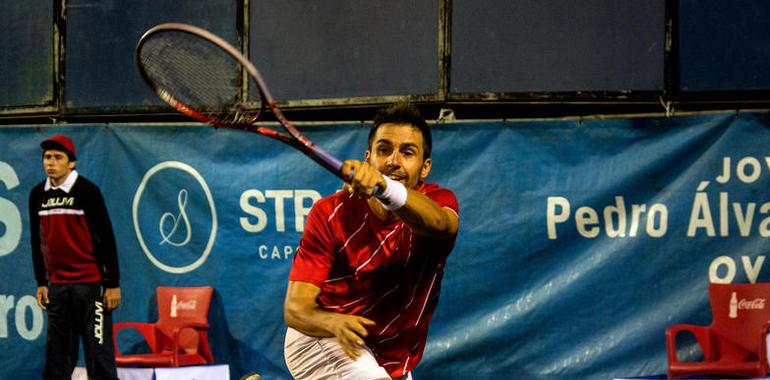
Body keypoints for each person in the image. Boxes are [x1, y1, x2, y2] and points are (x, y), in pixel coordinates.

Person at [283, 102, 460, 379]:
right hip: (322, 336)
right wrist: (332, 322)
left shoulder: (439, 203)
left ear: (425, 167)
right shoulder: (330, 213)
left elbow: (441, 225)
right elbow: (296, 310)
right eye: (384, 149)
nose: (393, 160)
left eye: (407, 152)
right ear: (369, 159)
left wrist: (384, 187)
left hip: (390, 353)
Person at [29, 134, 121, 380]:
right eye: (47, 157)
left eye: (58, 158)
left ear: (71, 163)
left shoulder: (87, 191)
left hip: (91, 286)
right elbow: (36, 241)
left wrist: (111, 284)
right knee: (57, 355)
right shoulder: (38, 194)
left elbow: (106, 238)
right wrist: (41, 281)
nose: (51, 162)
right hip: (58, 287)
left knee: (98, 353)